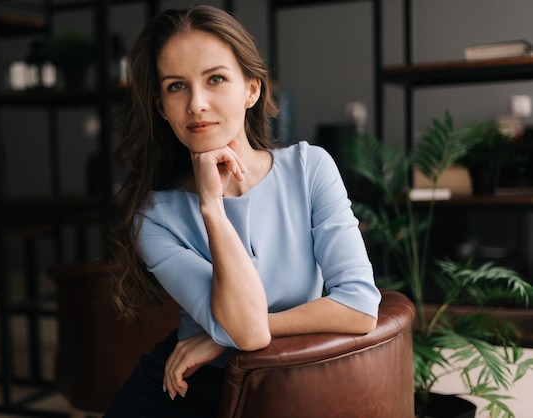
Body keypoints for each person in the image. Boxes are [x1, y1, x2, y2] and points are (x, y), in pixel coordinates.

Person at [105, 5, 381, 417]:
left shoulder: (310, 168)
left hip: (286, 377)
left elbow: (359, 306)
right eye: (176, 87)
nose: (197, 103)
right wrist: (211, 208)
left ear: (252, 89)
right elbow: (247, 330)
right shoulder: (154, 215)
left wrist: (219, 337)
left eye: (215, 79)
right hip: (188, 388)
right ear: (161, 107)